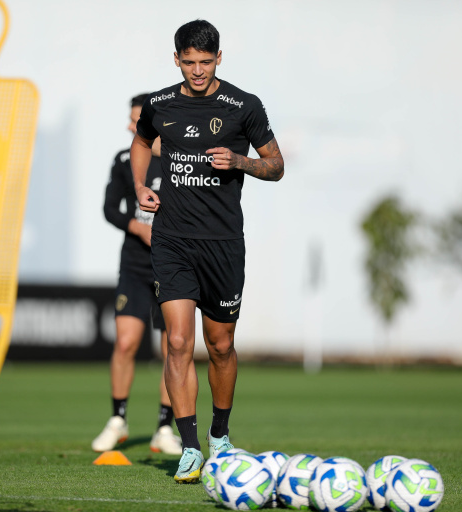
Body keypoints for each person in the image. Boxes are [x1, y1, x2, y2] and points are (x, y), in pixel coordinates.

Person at [130, 20, 285, 482]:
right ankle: (190, 446)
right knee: (178, 342)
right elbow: (141, 142)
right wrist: (140, 186)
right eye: (189, 62)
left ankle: (220, 435)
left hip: (222, 244)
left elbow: (276, 166)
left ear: (219, 58)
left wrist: (240, 161)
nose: (197, 70)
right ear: (175, 59)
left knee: (220, 345)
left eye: (206, 61)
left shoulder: (244, 105)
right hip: (173, 240)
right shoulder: (159, 104)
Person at [93, 94, 182, 455]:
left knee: (171, 349)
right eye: (130, 121)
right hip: (134, 264)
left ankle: (165, 427)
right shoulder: (125, 161)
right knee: (126, 342)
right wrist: (137, 226)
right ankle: (118, 420)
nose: (131, 127)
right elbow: (109, 209)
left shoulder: (180, 160)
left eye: (136, 121)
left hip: (173, 265)